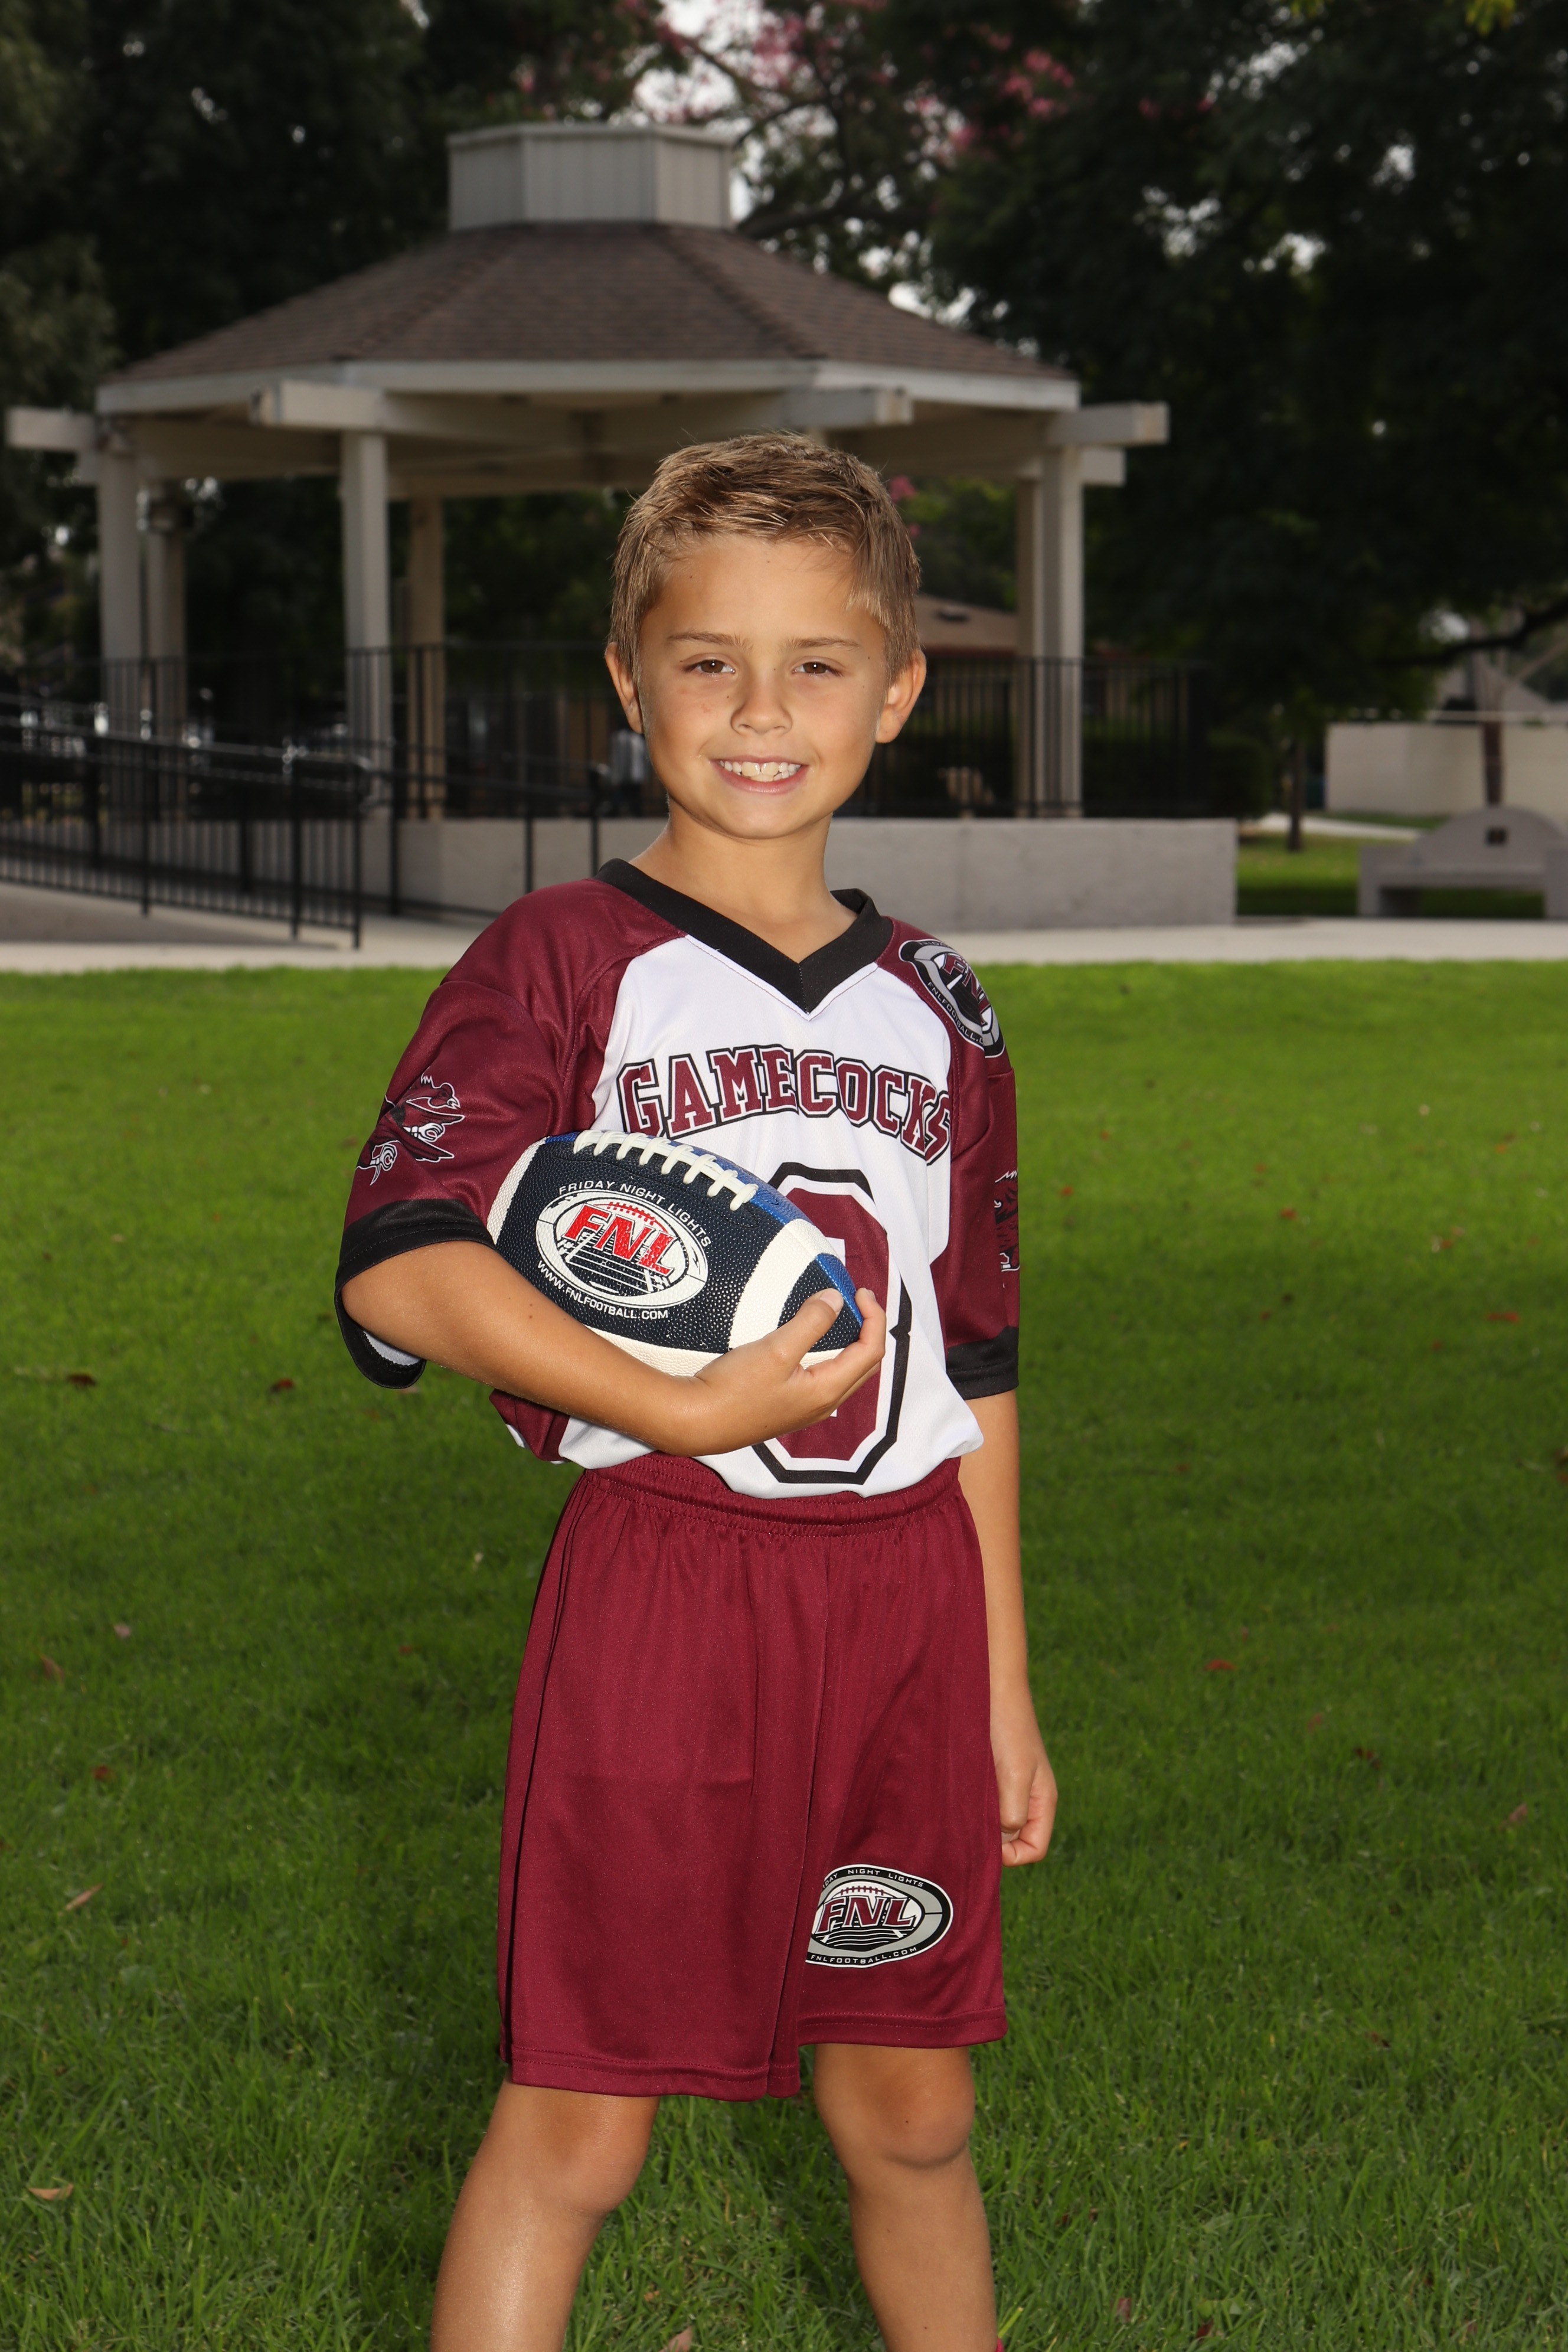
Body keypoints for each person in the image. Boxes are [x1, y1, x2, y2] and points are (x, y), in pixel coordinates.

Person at [336, 434, 1057, 2352]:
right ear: (628, 680)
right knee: (580, 2126)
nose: (760, 711)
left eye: (818, 664)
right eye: (708, 661)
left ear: (897, 689)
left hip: (905, 1599)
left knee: (915, 2110)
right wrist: (665, 1408)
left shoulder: (945, 1005)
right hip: (669, 1578)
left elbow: (974, 1365)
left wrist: (1000, 1683)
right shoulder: (564, 959)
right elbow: (402, 1261)